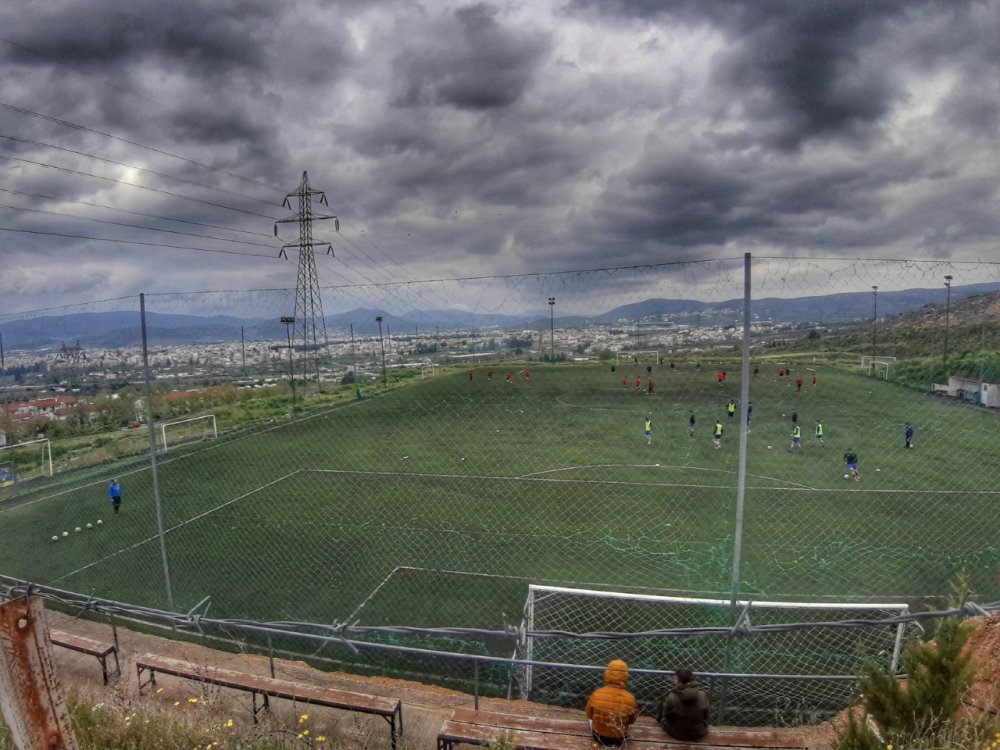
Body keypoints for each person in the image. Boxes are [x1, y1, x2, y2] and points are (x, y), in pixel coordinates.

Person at [585, 659, 638, 746]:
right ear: (626, 676)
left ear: (607, 674)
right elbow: (632, 720)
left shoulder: (596, 693)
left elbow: (589, 715)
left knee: (591, 720)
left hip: (598, 736)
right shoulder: (631, 698)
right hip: (619, 739)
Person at [657, 669, 709, 742]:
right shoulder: (703, 695)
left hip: (677, 733)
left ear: (679, 682)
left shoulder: (672, 697)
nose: (674, 681)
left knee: (663, 718)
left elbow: (665, 714)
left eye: (675, 679)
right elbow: (706, 715)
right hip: (698, 733)